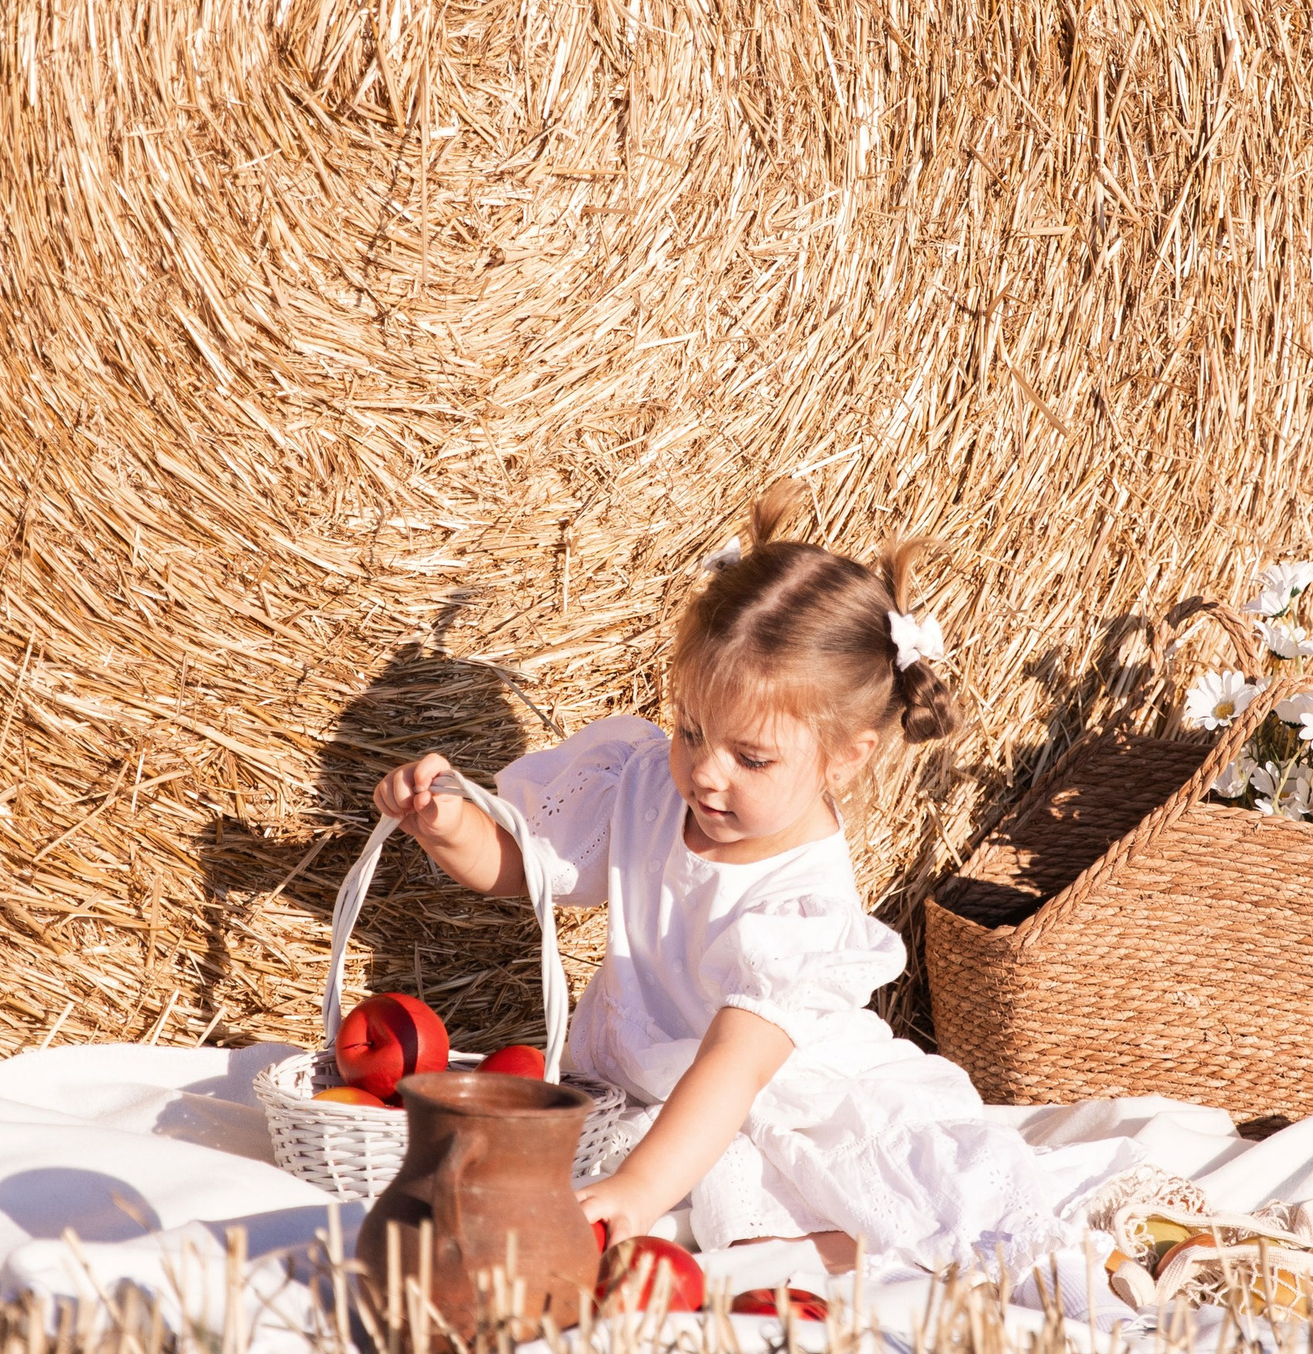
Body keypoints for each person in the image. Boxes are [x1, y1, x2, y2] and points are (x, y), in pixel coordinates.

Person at [372, 483, 1061, 1274]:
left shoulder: (802, 905)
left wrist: (635, 1190)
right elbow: (524, 870)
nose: (704, 772)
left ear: (847, 756)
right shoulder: (642, 785)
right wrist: (449, 827)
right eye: (690, 730)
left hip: (778, 1094)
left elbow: (732, 1071)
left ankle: (842, 1250)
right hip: (654, 1083)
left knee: (827, 1186)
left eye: (752, 758)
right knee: (620, 1166)